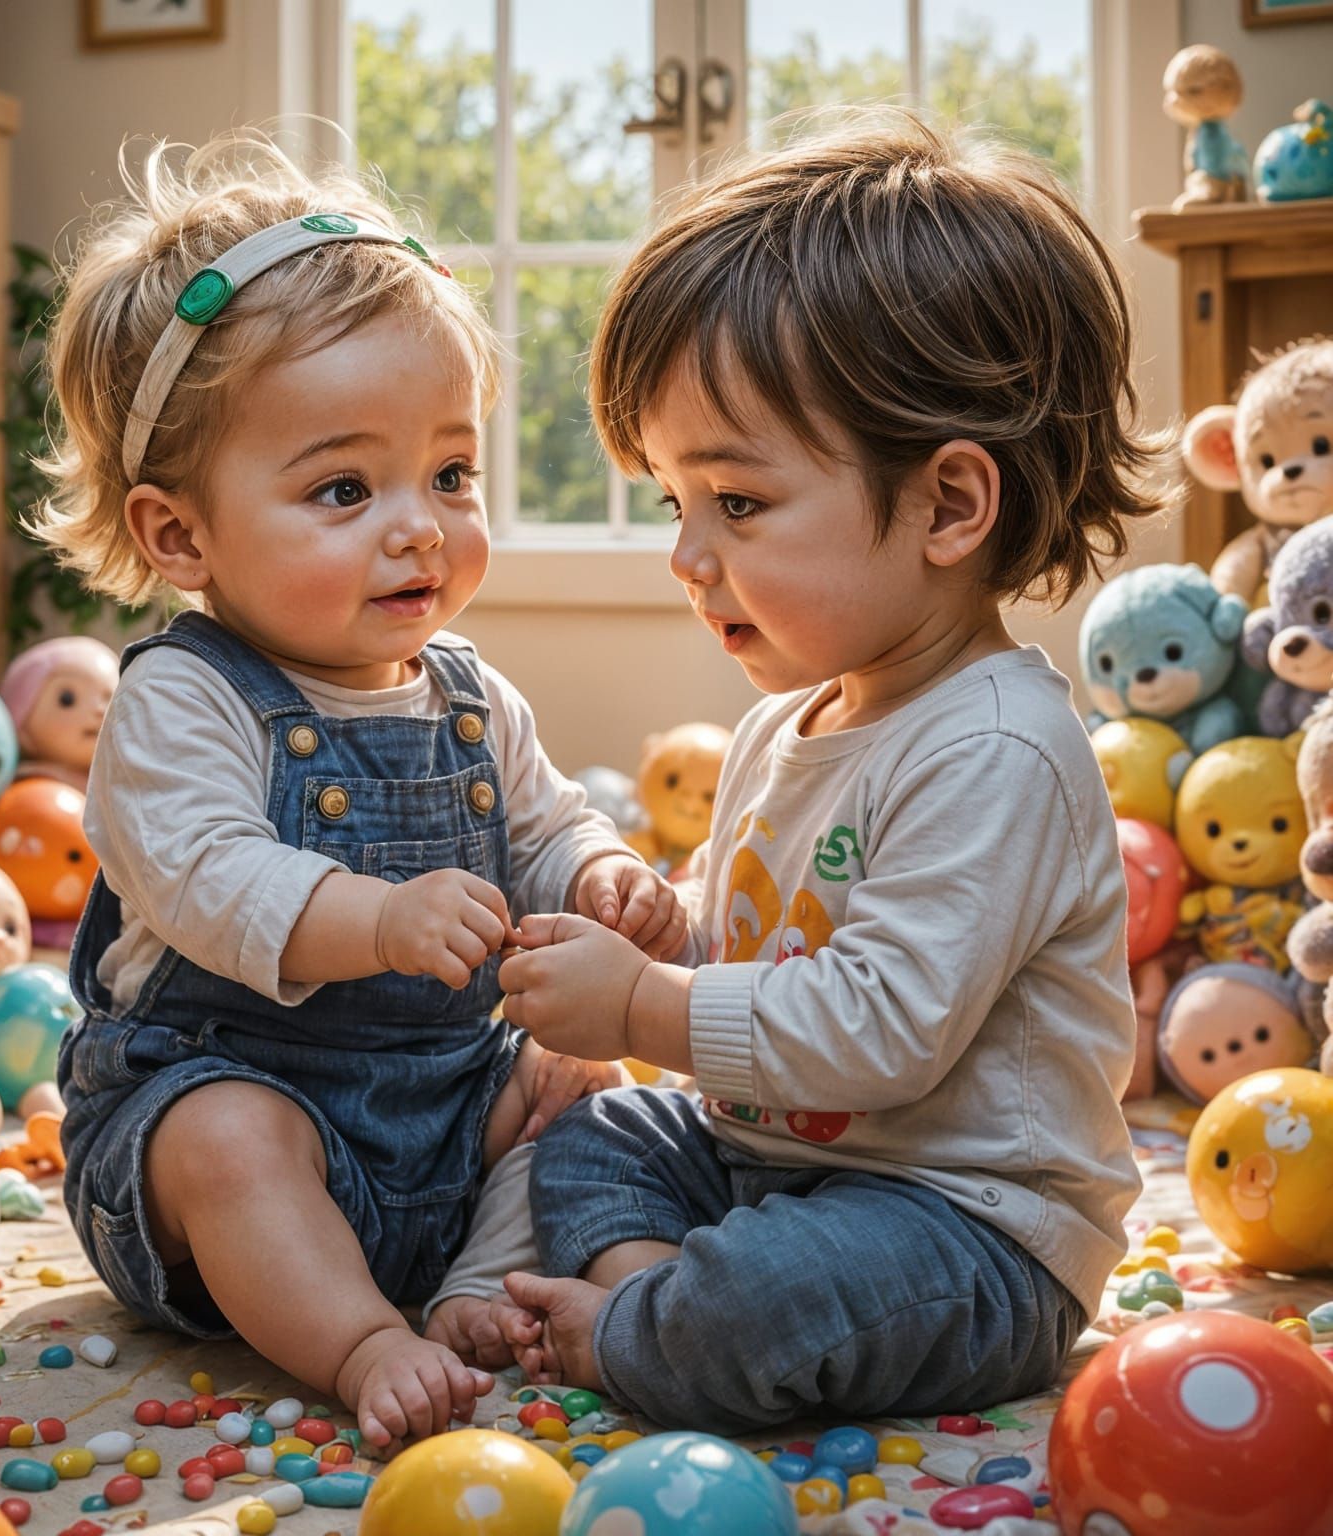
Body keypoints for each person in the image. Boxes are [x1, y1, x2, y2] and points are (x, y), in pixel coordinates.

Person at [495, 109, 1158, 1432]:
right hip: (772, 1162)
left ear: (949, 507)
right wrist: (667, 922)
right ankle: (652, 1301)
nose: (689, 557)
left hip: (963, 1229)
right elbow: (766, 941)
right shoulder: (785, 722)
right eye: (674, 501)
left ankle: (657, 1324)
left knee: (775, 1293)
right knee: (586, 1137)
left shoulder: (999, 749)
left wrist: (645, 1006)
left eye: (736, 505)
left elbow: (879, 1028)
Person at [31, 130, 684, 1452]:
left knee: (581, 1077)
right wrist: (374, 921)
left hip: (445, 1112)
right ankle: (358, 1337)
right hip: (229, 1111)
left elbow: (547, 819)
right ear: (180, 533)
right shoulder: (180, 695)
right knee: (226, 1139)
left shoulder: (467, 692)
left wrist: (599, 875)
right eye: (344, 487)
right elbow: (208, 876)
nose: (419, 524)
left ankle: (466, 1288)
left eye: (450, 473)